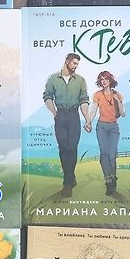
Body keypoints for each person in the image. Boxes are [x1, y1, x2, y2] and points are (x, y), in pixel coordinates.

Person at [43, 52, 90, 197]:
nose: (76, 66)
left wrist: (87, 119)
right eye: (74, 63)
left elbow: (83, 100)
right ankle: (70, 176)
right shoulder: (53, 79)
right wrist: (55, 113)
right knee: (63, 148)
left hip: (74, 116)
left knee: (72, 147)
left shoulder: (80, 80)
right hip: (60, 115)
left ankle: (67, 183)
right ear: (67, 61)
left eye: (77, 64)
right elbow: (47, 96)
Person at [85, 70, 125, 196]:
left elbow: (123, 113)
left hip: (113, 127)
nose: (104, 81)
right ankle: (108, 181)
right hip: (101, 127)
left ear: (110, 80)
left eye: (106, 79)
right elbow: (93, 111)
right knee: (104, 154)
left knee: (112, 155)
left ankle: (113, 177)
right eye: (101, 79)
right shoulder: (97, 95)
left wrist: (117, 101)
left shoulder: (117, 94)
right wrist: (88, 122)